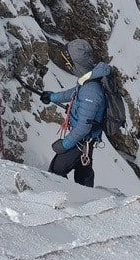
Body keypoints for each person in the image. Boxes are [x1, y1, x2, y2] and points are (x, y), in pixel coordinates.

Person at [40, 38, 110, 187]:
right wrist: (52, 97)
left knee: (56, 171)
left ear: (77, 62)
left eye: (69, 61)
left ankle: (65, 203)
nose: (68, 64)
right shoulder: (88, 81)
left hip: (80, 142)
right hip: (85, 143)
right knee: (83, 176)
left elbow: (84, 127)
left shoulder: (91, 90)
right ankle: (87, 202)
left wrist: (64, 144)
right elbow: (73, 93)